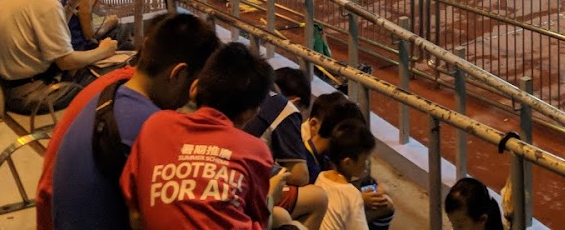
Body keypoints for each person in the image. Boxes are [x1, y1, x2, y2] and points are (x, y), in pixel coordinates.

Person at [39, 12, 221, 230]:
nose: (190, 99)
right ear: (179, 74)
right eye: (194, 86)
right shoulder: (150, 128)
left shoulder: (108, 92)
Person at [120, 43, 278, 230]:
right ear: (251, 113)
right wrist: (273, 192)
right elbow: (261, 221)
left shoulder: (155, 125)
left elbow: (136, 213)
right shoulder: (255, 150)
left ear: (194, 88)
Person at [243, 67, 328, 230]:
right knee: (319, 198)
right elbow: (300, 176)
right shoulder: (282, 107)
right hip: (243, 183)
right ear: (295, 102)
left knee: (281, 216)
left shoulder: (245, 90)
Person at [317, 120, 378, 230]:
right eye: (365, 160)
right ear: (348, 162)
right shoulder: (352, 195)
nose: (367, 164)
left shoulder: (321, 177)